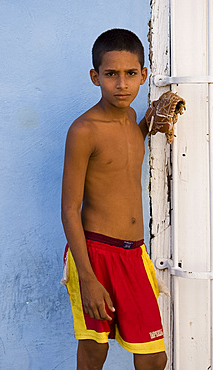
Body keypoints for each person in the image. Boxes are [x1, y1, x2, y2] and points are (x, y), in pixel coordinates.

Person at [61, 28, 167, 370]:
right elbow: (68, 209)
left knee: (153, 357)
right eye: (111, 75)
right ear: (96, 77)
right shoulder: (84, 130)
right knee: (94, 353)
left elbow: (123, 153)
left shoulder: (132, 119)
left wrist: (150, 121)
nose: (122, 84)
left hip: (133, 254)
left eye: (130, 74)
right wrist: (88, 279)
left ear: (143, 75)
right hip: (95, 254)